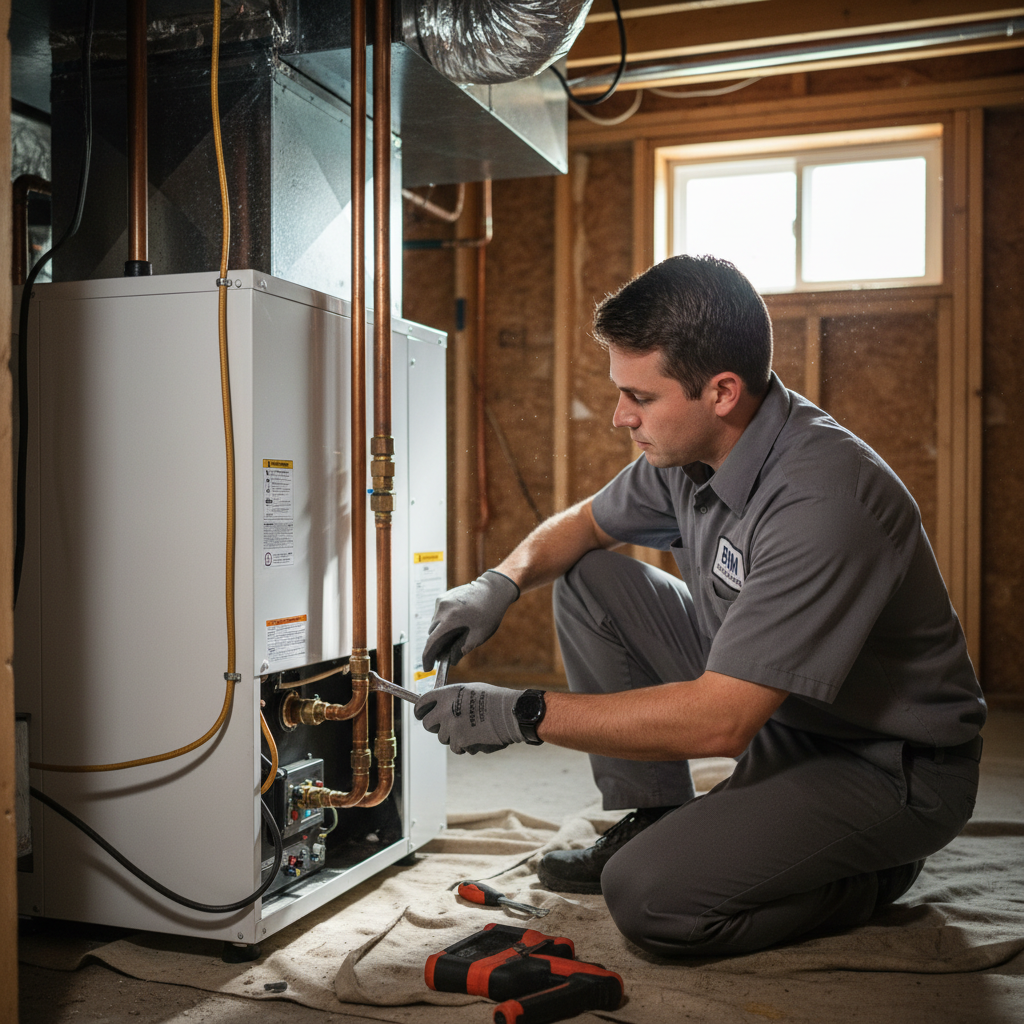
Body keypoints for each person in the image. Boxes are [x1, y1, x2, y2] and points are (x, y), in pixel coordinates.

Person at [414, 254, 985, 958]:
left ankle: (872, 872)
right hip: (785, 707)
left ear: (720, 391)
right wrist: (498, 581)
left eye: (640, 397)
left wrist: (523, 713)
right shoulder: (692, 453)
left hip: (884, 762)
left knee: (651, 901)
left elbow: (722, 722)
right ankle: (655, 814)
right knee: (591, 579)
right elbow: (589, 524)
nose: (620, 416)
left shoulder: (824, 500)